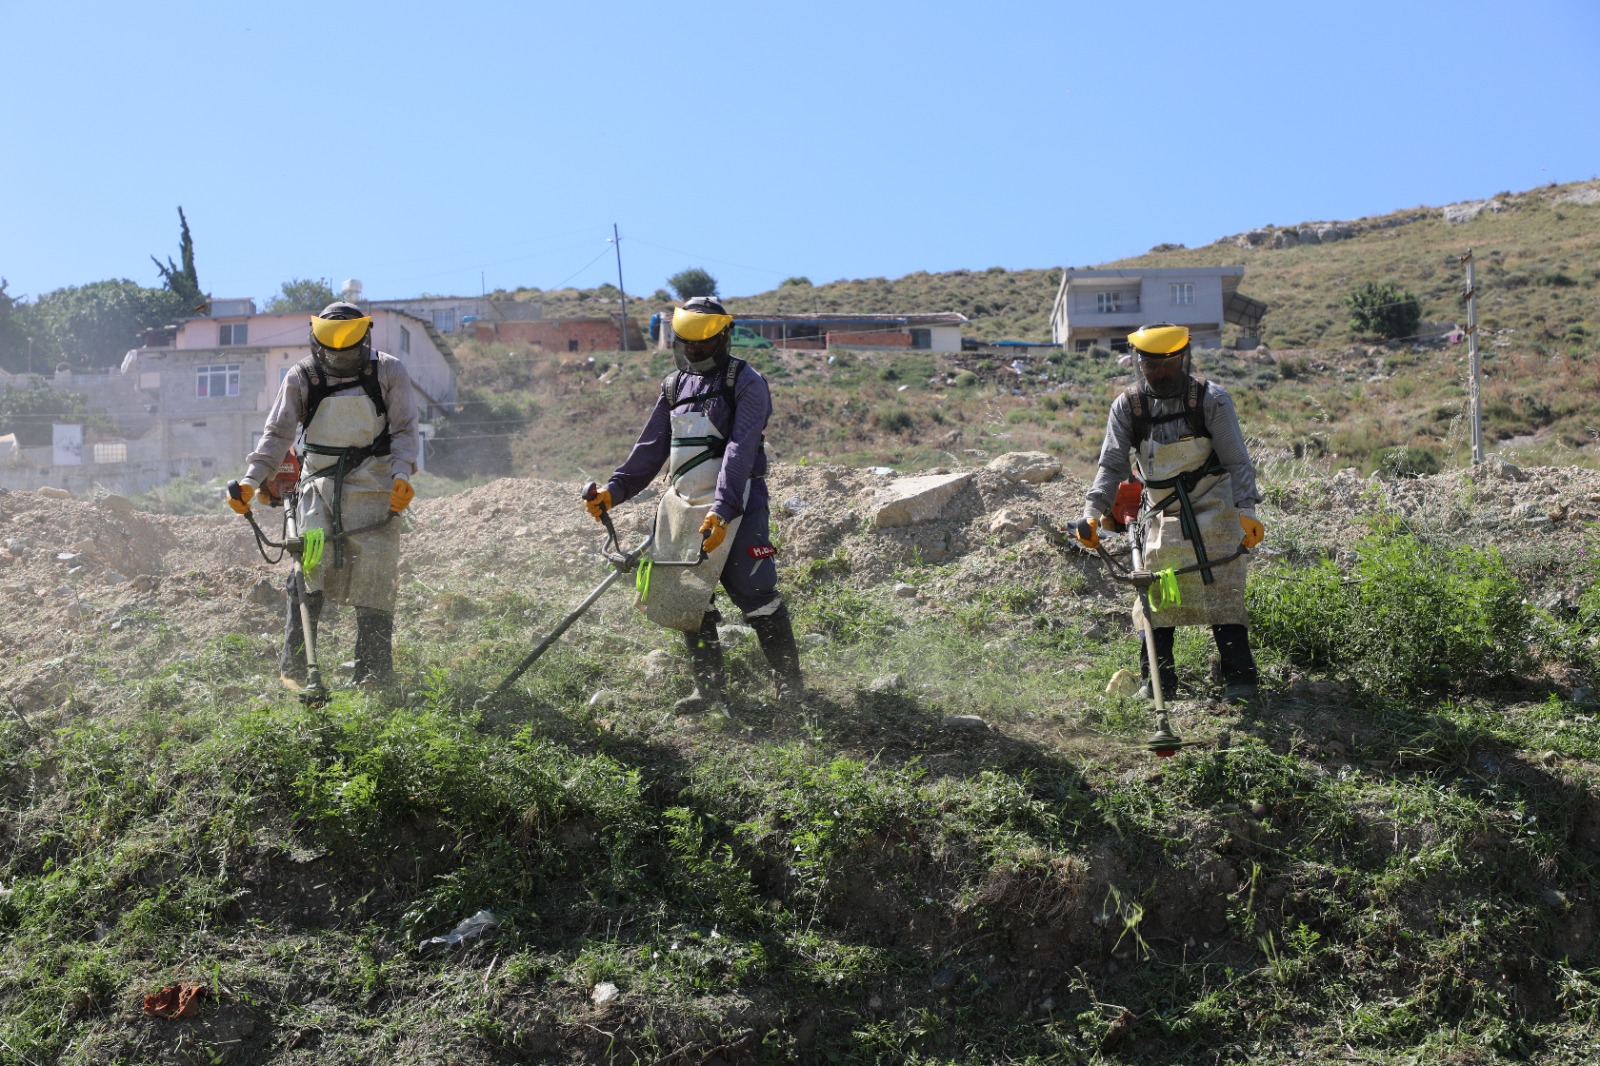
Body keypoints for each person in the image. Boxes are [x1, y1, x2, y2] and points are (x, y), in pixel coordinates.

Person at [585, 297, 802, 710]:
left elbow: (738, 451)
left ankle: (789, 685)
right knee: (689, 598)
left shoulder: (746, 382)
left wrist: (722, 510)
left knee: (754, 591)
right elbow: (650, 449)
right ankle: (709, 690)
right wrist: (614, 491)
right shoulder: (674, 386)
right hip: (683, 503)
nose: (694, 351)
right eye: (686, 343)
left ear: (724, 337)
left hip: (738, 504)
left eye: (702, 344)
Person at [229, 301, 420, 687]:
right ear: (318, 343)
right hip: (318, 484)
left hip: (375, 482)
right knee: (307, 565)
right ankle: (296, 668)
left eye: (348, 350)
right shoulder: (302, 376)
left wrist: (402, 475)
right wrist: (251, 482)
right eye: (332, 350)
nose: (340, 357)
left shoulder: (389, 371)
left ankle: (373, 672)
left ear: (363, 340)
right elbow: (277, 435)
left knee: (376, 572)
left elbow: (404, 431)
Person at [1073, 323, 1265, 705]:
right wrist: (1092, 512)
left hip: (1214, 500)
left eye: (1169, 364)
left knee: (1222, 586)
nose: (1160, 373)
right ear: (1138, 363)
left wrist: (1247, 509)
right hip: (1160, 507)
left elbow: (1236, 461)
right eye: (1151, 365)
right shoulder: (1128, 406)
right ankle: (1159, 683)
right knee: (1153, 587)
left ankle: (1240, 680)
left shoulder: (1211, 400)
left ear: (1184, 359)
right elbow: (1112, 465)